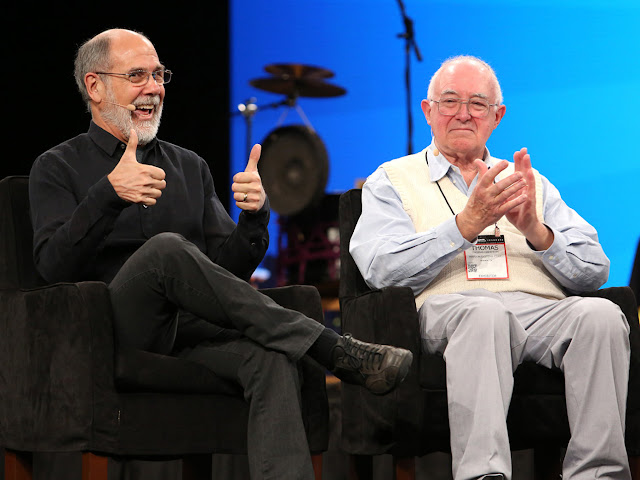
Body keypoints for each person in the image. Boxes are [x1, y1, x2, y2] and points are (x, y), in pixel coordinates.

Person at [29, 28, 413, 480]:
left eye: (158, 75)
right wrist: (108, 194)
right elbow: (51, 267)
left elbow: (225, 273)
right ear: (95, 86)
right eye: (137, 76)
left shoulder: (189, 166)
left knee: (271, 360)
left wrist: (254, 217)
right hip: (112, 331)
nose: (154, 88)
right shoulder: (57, 167)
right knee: (166, 250)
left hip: (190, 332)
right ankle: (332, 349)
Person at [350, 55, 631, 480]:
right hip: (450, 309)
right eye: (450, 101)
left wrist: (537, 231)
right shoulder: (391, 179)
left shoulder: (527, 181)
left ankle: (599, 474)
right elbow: (380, 268)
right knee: (485, 312)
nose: (463, 113)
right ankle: (483, 474)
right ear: (428, 112)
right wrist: (462, 227)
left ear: (496, 117)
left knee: (602, 315)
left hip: (536, 310)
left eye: (477, 104)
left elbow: (596, 268)